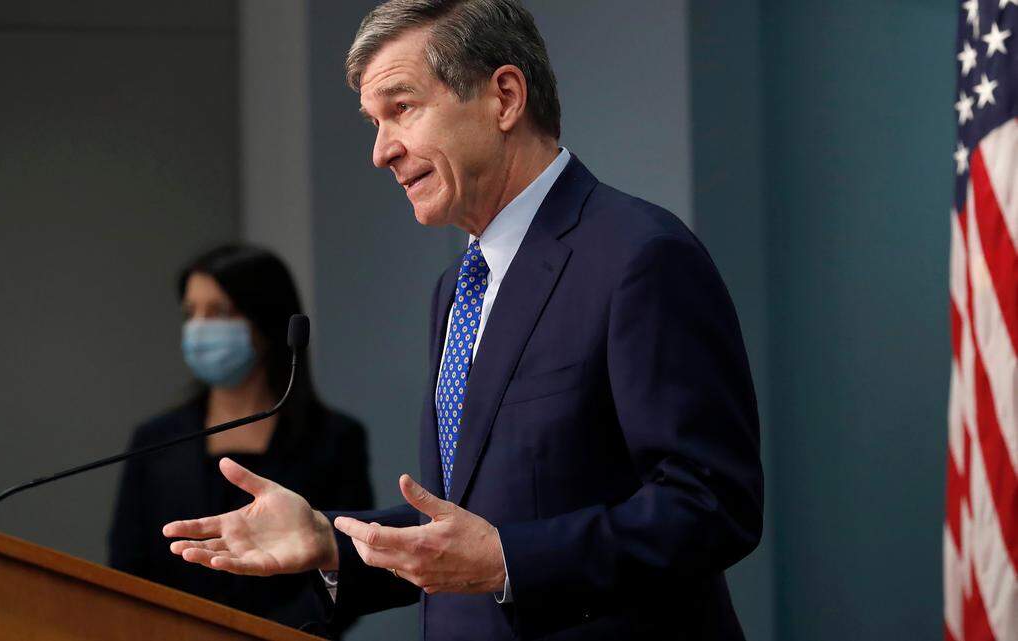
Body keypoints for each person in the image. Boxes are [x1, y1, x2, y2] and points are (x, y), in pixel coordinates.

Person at [163, 1, 764, 639]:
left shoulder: (640, 255)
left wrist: (510, 561)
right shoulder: (458, 287)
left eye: (401, 108)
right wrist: (330, 537)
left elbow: (711, 505)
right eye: (374, 121)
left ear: (504, 98)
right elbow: (470, 523)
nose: (380, 152)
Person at [108, 244, 373, 638]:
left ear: (265, 322)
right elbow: (128, 566)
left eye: (218, 312)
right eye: (190, 313)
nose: (199, 327)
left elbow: (349, 566)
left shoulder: (334, 438)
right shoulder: (156, 440)